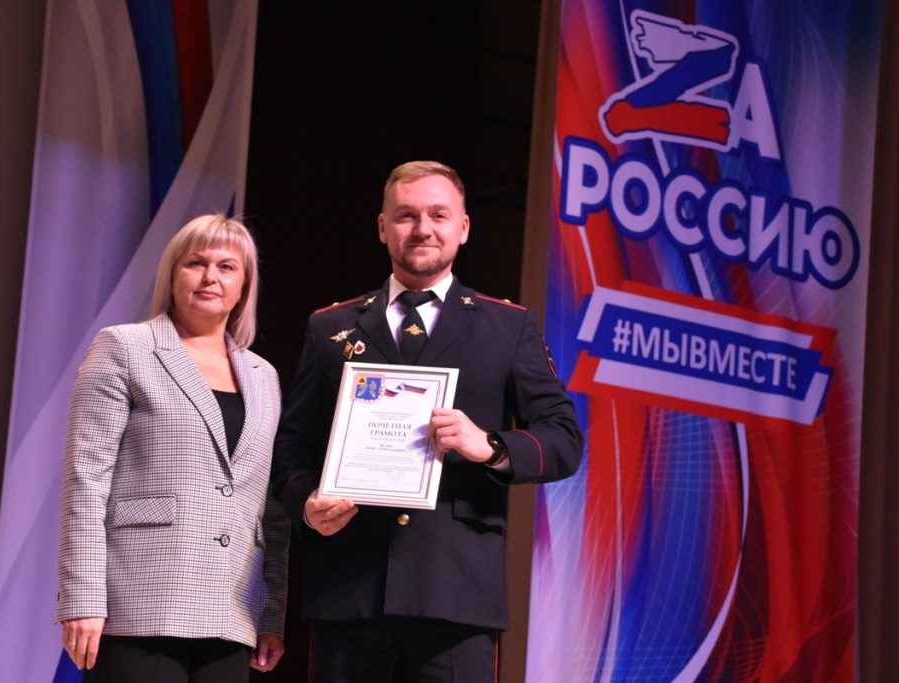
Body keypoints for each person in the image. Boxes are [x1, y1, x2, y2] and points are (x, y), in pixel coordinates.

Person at [271, 161, 583, 682]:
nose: (422, 229)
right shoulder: (330, 326)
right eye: (406, 216)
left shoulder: (508, 326)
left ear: (463, 227)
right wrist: (306, 504)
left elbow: (564, 440)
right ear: (382, 227)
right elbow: (291, 449)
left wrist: (490, 445)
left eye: (439, 215)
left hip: (456, 592)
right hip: (349, 586)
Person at [57, 214, 289, 682]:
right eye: (195, 263)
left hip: (231, 610)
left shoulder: (264, 376)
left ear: (244, 287)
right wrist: (82, 598)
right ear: (172, 274)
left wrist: (271, 612)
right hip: (139, 604)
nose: (210, 277)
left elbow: (270, 505)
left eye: (227, 267)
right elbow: (86, 481)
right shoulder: (125, 347)